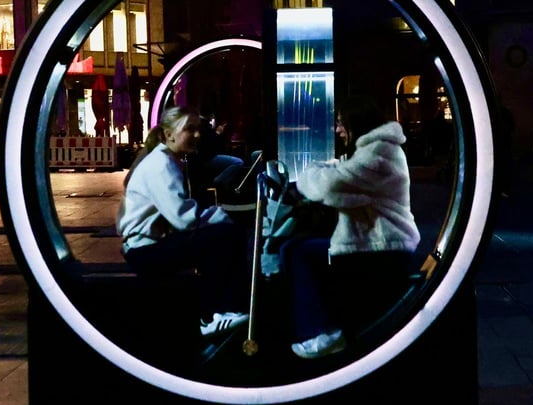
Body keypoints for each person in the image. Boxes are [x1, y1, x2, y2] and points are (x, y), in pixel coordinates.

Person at [283, 96, 420, 359]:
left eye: (340, 123)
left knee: (296, 252)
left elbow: (330, 186)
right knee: (300, 248)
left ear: (356, 121)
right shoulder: (375, 150)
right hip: (376, 241)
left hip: (382, 245)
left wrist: (309, 175)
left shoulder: (380, 153)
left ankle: (320, 333)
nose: (337, 129)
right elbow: (345, 174)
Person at [116, 105, 251, 340]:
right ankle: (213, 314)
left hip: (147, 246)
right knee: (225, 236)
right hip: (144, 251)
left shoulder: (167, 160)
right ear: (169, 134)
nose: (197, 135)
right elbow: (184, 218)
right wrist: (221, 215)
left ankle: (220, 309)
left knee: (220, 237)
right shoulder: (161, 165)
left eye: (198, 130)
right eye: (190, 129)